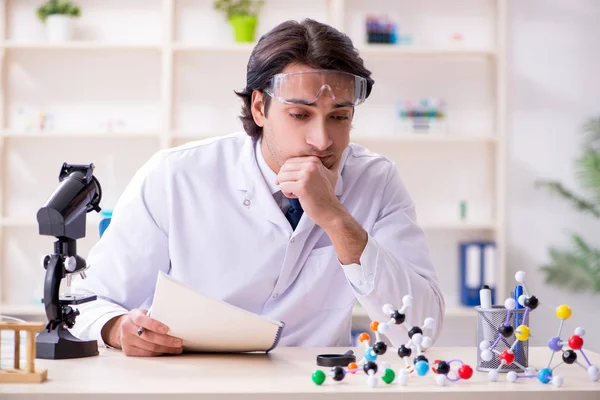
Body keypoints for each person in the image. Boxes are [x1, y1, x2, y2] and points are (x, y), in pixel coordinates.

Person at [70, 18, 445, 357]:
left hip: (314, 386)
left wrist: (336, 219)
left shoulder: (376, 181)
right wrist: (118, 329)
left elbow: (420, 330)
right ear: (259, 109)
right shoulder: (176, 176)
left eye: (339, 117)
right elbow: (85, 302)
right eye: (300, 115)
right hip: (192, 381)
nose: (322, 139)